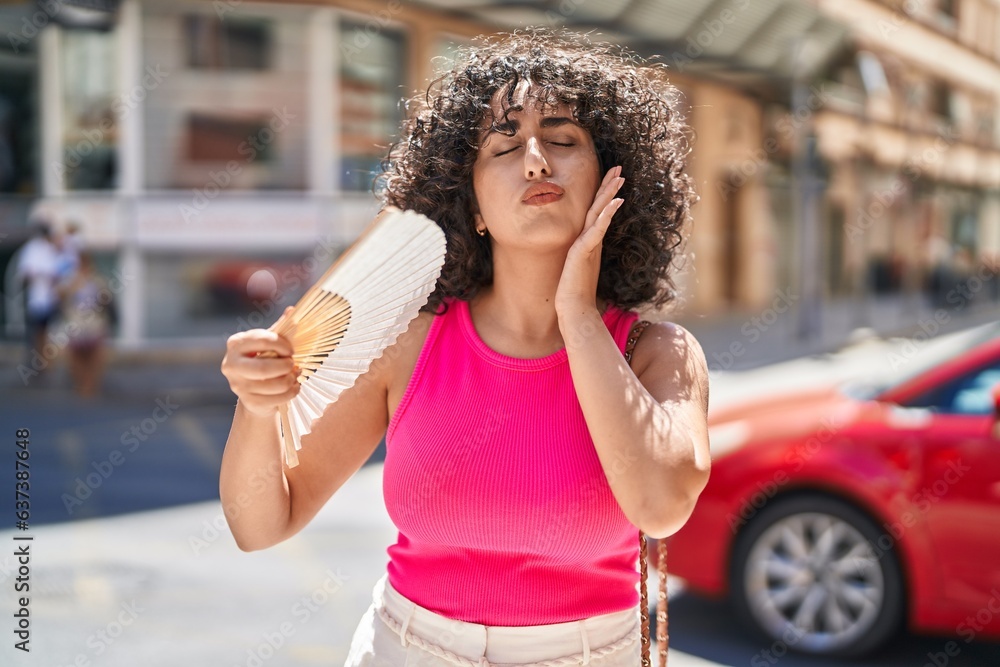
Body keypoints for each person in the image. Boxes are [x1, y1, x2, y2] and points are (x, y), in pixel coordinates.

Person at [220, 29, 711, 667]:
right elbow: (261, 525)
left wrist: (577, 316)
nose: (536, 160)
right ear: (470, 204)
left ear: (612, 181)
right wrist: (258, 407)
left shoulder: (658, 353)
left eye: (563, 140)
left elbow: (661, 505)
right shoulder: (410, 341)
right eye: (504, 146)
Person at [57, 252, 112, 397]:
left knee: (95, 356)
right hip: (76, 322)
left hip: (93, 322)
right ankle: (81, 383)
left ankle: (91, 384)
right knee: (76, 356)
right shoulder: (71, 280)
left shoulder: (97, 280)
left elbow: (106, 299)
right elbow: (60, 296)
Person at [15, 219, 61, 376]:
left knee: (45, 332)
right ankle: (37, 363)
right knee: (37, 332)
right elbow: (26, 273)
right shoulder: (32, 249)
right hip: (36, 299)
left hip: (48, 298)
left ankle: (44, 363)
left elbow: (56, 273)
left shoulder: (49, 249)